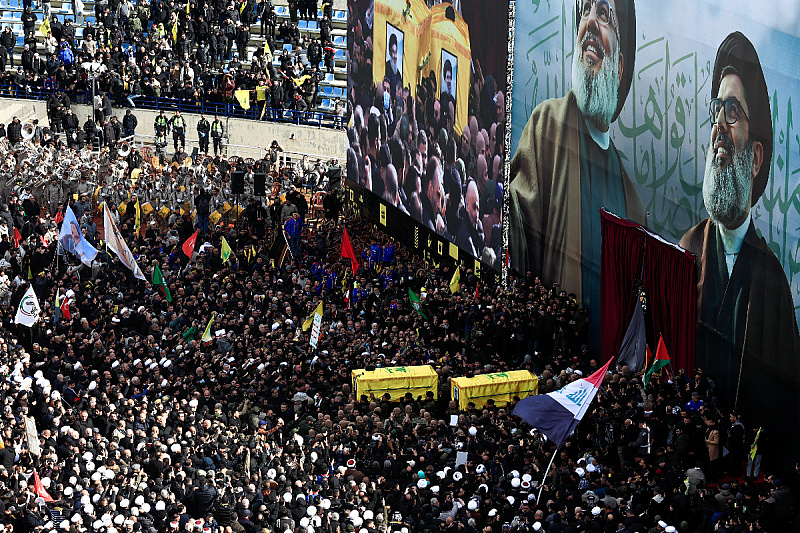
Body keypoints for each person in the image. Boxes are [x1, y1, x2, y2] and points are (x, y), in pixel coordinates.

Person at [679, 32, 800, 455]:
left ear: (758, 157)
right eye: (717, 110)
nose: (718, 128)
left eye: (733, 113)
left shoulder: (773, 286)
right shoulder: (686, 252)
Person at [507, 0, 642, 350]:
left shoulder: (633, 202)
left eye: (604, 14)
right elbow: (515, 233)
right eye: (584, 11)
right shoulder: (546, 126)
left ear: (621, 66)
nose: (590, 24)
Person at [385, 31, 402, 98]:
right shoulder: (386, 67)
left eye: (396, 52)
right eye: (393, 52)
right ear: (389, 52)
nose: (395, 56)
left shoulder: (398, 74)